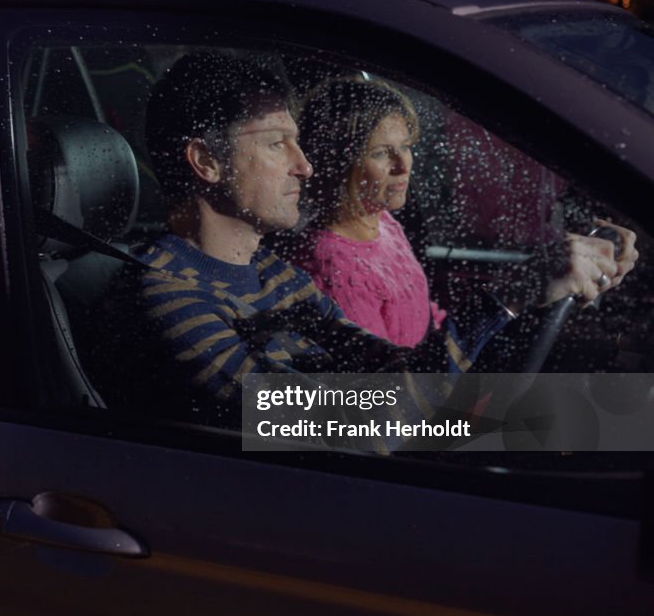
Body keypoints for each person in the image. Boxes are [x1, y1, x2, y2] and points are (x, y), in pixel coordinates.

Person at [93, 53, 635, 429]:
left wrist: (548, 289)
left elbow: (392, 370)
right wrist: (508, 299)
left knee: (624, 415)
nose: (304, 167)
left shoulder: (271, 274)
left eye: (298, 144)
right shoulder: (168, 299)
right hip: (305, 529)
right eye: (278, 145)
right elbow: (357, 423)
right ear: (206, 161)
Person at [289, 76, 637, 347]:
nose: (403, 165)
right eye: (381, 153)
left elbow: (427, 321)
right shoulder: (331, 266)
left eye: (406, 147)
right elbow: (389, 395)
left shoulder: (383, 222)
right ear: (338, 162)